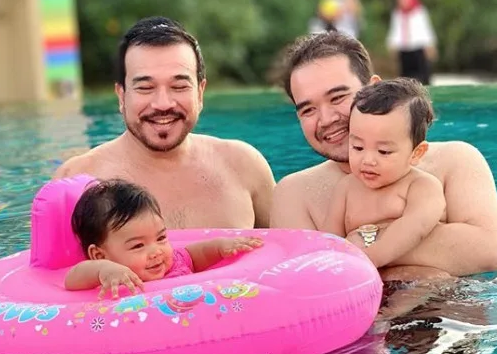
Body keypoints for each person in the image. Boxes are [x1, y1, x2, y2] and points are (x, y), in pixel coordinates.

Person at [270, 31, 497, 280]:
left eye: (338, 97)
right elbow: (311, 281)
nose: (326, 119)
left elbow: (490, 252)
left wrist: (359, 242)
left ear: (373, 89)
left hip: (453, 306)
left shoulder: (454, 160)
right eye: (308, 110)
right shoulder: (294, 194)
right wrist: (420, 242)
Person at [53, 16, 275, 229]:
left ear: (200, 93)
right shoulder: (78, 181)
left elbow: (286, 249)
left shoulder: (244, 167)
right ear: (121, 96)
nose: (162, 104)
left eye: (179, 87)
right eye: (145, 88)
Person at [64, 179, 264, 299]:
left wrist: (221, 246)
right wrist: (104, 270)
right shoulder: (112, 280)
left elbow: (198, 254)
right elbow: (72, 279)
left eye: (160, 237)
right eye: (138, 245)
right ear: (99, 255)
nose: (156, 251)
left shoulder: (174, 263)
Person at [322, 78, 446, 269]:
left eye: (383, 151)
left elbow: (415, 227)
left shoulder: (421, 186)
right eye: (358, 147)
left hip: (416, 279)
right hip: (362, 279)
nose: (368, 160)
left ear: (416, 153)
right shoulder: (346, 188)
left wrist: (370, 259)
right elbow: (329, 239)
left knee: (431, 280)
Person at [386, 0, 437, 85]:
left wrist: (430, 45)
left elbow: (426, 29)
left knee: (423, 75)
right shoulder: (397, 13)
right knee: (405, 77)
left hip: (418, 48)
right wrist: (392, 44)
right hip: (404, 49)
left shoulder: (419, 12)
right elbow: (395, 30)